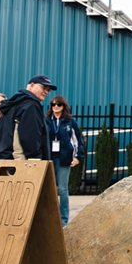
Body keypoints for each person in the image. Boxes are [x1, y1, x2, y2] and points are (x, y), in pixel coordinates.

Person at [0, 75, 56, 160]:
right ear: (31, 85)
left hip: (7, 157)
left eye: (48, 90)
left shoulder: (14, 103)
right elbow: (30, 136)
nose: (46, 92)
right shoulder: (31, 105)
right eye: (43, 87)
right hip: (24, 160)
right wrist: (36, 158)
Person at [46, 95, 84, 226]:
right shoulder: (46, 121)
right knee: (48, 189)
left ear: (63, 106)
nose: (56, 107)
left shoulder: (70, 122)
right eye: (53, 105)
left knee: (62, 189)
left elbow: (78, 140)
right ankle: (48, 219)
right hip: (49, 158)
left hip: (64, 158)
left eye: (59, 105)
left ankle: (63, 221)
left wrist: (78, 157)